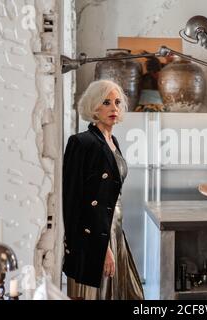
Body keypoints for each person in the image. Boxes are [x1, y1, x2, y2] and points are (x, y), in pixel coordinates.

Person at [62, 79, 144, 300]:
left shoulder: (113, 141)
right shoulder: (82, 143)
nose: (114, 108)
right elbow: (73, 201)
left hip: (115, 229)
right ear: (93, 106)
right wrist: (101, 248)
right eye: (106, 102)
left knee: (129, 294)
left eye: (117, 102)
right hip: (96, 235)